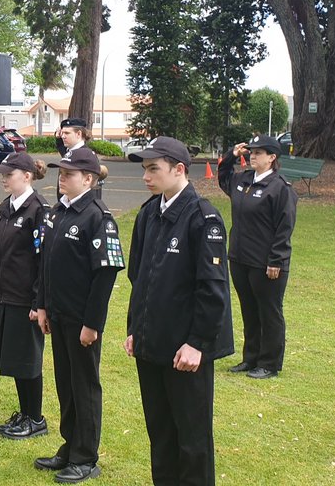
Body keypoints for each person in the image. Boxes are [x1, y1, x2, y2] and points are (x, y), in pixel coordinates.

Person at [126, 137, 234, 485]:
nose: (146, 176)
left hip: (186, 352)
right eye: (144, 169)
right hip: (152, 345)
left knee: (192, 441)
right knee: (161, 436)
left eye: (153, 168)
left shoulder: (203, 218)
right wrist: (135, 329)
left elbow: (212, 288)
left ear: (179, 169)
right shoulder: (148, 214)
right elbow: (139, 278)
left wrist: (197, 343)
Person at [33, 147, 123, 484]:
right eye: (60, 173)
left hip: (81, 319)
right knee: (65, 384)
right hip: (58, 314)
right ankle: (69, 447)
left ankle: (86, 457)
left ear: (88, 178)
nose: (62, 179)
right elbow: (46, 263)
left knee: (84, 386)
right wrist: (42, 305)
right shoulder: (58, 212)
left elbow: (106, 274)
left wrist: (92, 324)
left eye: (69, 174)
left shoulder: (98, 216)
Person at [217, 135, 298, 379]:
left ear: (272, 158)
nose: (252, 155)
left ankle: (269, 363)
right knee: (249, 310)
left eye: (259, 152)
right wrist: (232, 155)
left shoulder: (280, 187)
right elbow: (223, 177)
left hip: (266, 263)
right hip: (241, 258)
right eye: (251, 152)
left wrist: (276, 260)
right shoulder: (243, 179)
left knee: (269, 312)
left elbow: (285, 227)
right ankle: (250, 357)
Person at [0, 152, 50, 440]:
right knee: (14, 360)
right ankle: (24, 414)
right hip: (3, 294)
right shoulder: (5, 206)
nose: (3, 178)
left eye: (9, 174)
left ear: (27, 176)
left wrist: (38, 303)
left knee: (27, 360)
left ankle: (35, 418)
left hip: (25, 299)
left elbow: (43, 261)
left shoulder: (39, 210)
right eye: (2, 174)